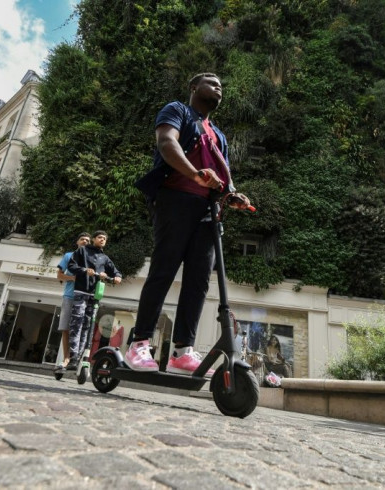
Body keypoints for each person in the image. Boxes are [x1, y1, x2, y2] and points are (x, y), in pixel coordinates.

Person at [127, 72, 250, 375]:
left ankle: (182, 351)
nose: (218, 87)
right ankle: (139, 343)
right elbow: (167, 144)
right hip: (174, 199)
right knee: (164, 269)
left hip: (207, 210)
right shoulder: (177, 111)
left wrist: (231, 194)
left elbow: (223, 172)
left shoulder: (218, 134)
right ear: (194, 87)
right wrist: (196, 173)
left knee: (198, 280)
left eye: (222, 84)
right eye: (211, 82)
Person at [65, 230, 122, 370]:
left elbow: (116, 272)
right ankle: (72, 357)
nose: (102, 240)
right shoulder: (82, 251)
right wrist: (85, 270)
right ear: (94, 239)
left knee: (88, 326)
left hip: (94, 295)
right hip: (80, 292)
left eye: (104, 239)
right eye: (100, 237)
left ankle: (80, 357)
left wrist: (117, 277)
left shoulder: (105, 258)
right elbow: (71, 266)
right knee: (76, 323)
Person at [55, 232, 91, 369]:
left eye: (88, 240)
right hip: (69, 296)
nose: (85, 242)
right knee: (66, 328)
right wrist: (73, 278)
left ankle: (77, 358)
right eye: (82, 239)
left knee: (83, 329)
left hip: (85, 298)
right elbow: (59, 275)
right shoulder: (68, 256)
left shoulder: (91, 259)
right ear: (77, 242)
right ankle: (66, 358)